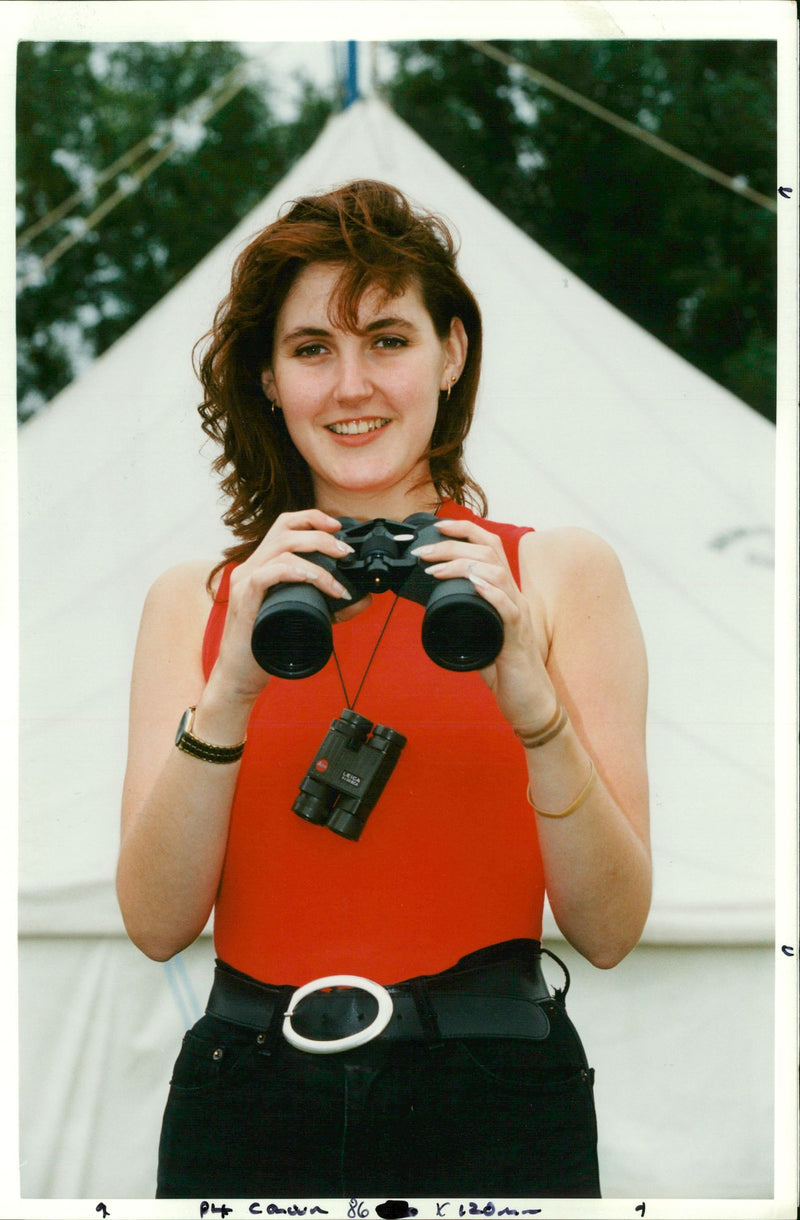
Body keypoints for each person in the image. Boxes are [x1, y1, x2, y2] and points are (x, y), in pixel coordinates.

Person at [117, 179, 651, 1201]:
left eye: (388, 339)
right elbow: (153, 922)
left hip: (493, 1089)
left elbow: (609, 928)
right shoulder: (194, 599)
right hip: (247, 1091)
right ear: (269, 380)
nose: (350, 383)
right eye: (312, 348)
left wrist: (535, 708)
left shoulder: (558, 574)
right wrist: (231, 681)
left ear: (451, 352)